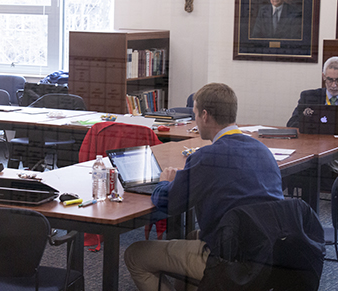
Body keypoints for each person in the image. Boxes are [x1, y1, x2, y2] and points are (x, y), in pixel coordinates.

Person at [124, 83, 284, 291]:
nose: (195, 120)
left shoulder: (208, 157)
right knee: (191, 236)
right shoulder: (262, 150)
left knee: (135, 254)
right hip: (268, 252)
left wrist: (165, 182)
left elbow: (169, 203)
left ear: (205, 115)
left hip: (232, 260)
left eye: (195, 114)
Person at [286, 56, 338, 192]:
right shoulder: (309, 97)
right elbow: (292, 123)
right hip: (313, 150)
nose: (333, 85)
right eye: (330, 80)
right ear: (323, 77)